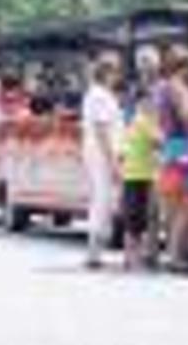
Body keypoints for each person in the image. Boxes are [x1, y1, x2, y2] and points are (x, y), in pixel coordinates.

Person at [157, 47, 188, 272]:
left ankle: (172, 252)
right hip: (186, 147)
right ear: (184, 66)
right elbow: (187, 115)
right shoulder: (179, 87)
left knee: (174, 206)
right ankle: (175, 257)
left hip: (170, 147)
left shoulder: (162, 88)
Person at [81, 53, 124, 269]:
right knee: (102, 200)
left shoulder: (97, 94)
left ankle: (95, 250)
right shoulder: (100, 95)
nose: (118, 75)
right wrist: (113, 162)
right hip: (101, 154)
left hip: (96, 153)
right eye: (116, 71)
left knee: (101, 199)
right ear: (107, 72)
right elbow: (102, 130)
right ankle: (94, 252)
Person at [120, 90, 162, 270]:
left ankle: (130, 257)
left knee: (133, 218)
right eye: (148, 102)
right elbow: (159, 140)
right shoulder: (144, 121)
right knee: (138, 218)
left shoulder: (133, 121)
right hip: (141, 174)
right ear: (141, 103)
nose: (151, 105)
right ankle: (133, 257)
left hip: (132, 173)